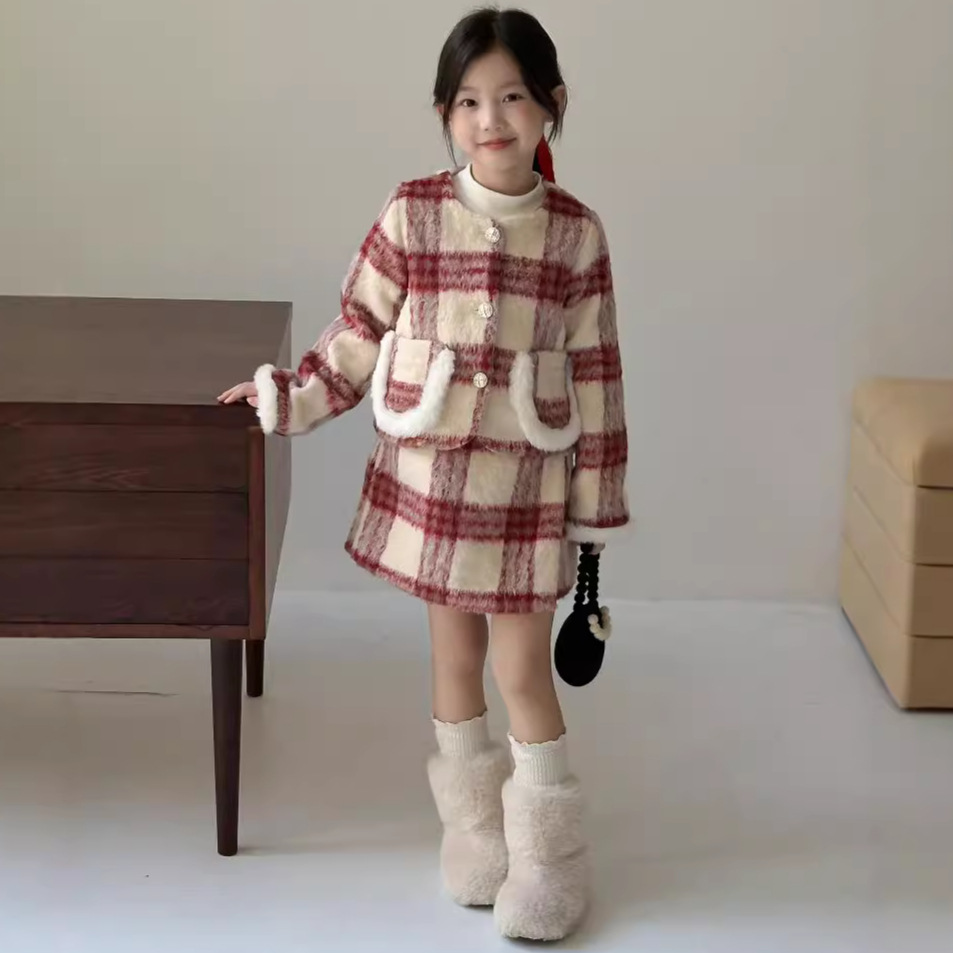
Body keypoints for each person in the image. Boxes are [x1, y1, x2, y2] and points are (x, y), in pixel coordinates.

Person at [219, 7, 628, 941]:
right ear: (445, 113)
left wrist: (595, 509)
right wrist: (287, 397)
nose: (491, 119)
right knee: (453, 659)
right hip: (434, 482)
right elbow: (358, 330)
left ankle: (551, 859)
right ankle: (474, 834)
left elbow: (598, 373)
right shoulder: (412, 211)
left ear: (551, 104)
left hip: (525, 491)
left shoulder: (575, 235)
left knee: (522, 667)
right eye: (469, 101)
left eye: (512, 97)